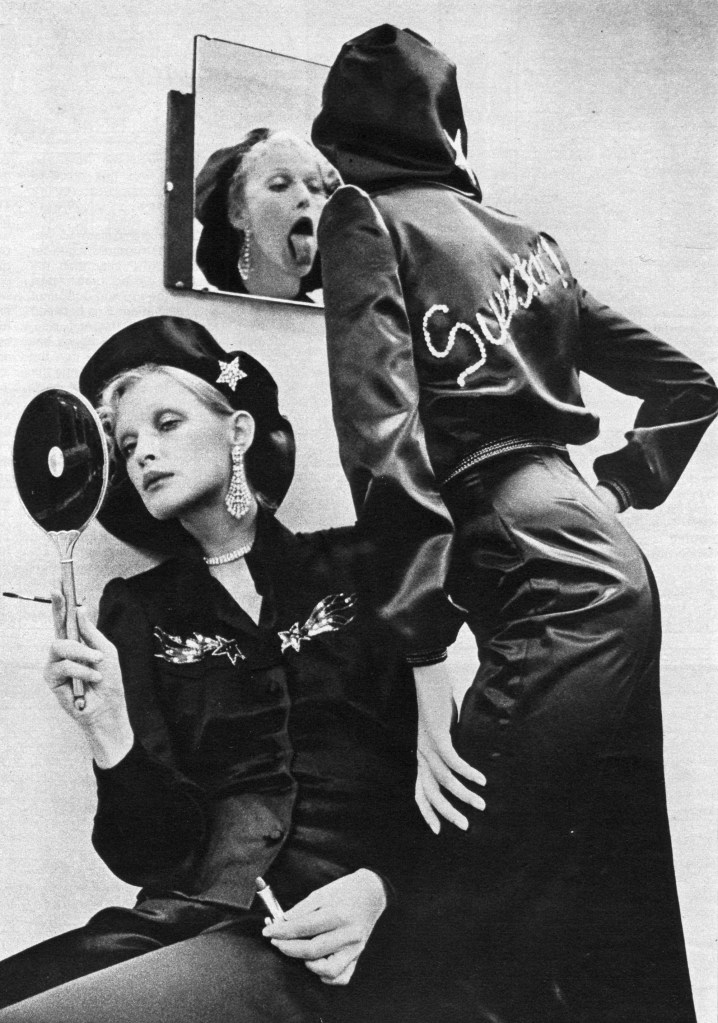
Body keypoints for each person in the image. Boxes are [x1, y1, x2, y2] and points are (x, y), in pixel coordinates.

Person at [311, 24, 718, 1023]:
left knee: (453, 908)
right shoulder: (526, 241)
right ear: (445, 121)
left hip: (541, 575)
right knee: (604, 891)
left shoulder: (363, 216)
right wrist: (615, 490)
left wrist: (423, 662)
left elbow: (384, 450)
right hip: (601, 560)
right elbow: (690, 384)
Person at [0, 315, 422, 1023]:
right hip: (184, 920)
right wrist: (108, 731)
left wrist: (384, 888)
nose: (143, 453)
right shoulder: (138, 610)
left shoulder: (363, 567)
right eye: (127, 444)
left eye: (167, 423)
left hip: (332, 928)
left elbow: (450, 770)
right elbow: (152, 855)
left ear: (239, 431)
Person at [195, 128, 340, 302]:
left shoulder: (330, 318)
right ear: (238, 213)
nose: (305, 197)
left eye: (314, 188)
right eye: (280, 185)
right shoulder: (211, 309)